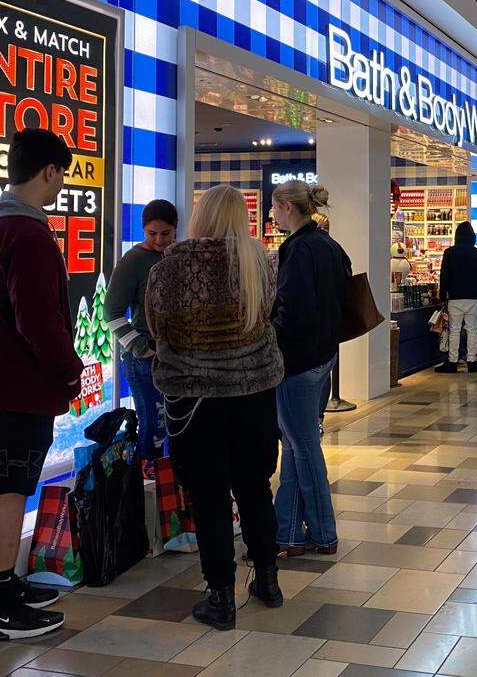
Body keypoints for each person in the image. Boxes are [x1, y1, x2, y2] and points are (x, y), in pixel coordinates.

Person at [0, 130, 80, 644]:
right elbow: (39, 323)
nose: (60, 185)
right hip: (11, 385)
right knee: (6, 493)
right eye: (61, 174)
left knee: (2, 490)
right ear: (48, 170)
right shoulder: (26, 235)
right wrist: (71, 371)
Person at [146, 185, 285, 630]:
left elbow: (157, 325)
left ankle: (220, 596)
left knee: (208, 497)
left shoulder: (173, 266)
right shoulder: (260, 262)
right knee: (255, 485)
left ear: (200, 216)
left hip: (196, 397)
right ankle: (267, 579)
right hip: (254, 392)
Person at [270, 180, 351, 559]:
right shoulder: (329, 245)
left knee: (303, 447)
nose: (272, 215)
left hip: (296, 363)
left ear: (287, 207)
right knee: (296, 444)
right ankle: (286, 531)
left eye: (274, 207)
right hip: (323, 357)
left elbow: (293, 312)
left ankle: (322, 531)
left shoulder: (298, 249)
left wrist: (271, 335)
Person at [105, 199, 178, 478]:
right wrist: (138, 346)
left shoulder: (177, 255)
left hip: (173, 356)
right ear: (143, 230)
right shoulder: (133, 261)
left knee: (173, 425)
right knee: (153, 425)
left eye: (165, 233)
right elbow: (111, 310)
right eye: (152, 233)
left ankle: (168, 491)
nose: (159, 239)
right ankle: (149, 491)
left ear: (175, 229)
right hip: (145, 359)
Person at [435, 221, 477, 374]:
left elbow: (444, 276)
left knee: (455, 330)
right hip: (472, 298)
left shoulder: (449, 252)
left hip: (455, 297)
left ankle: (452, 361)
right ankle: (472, 361)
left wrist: (442, 294)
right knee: (472, 329)